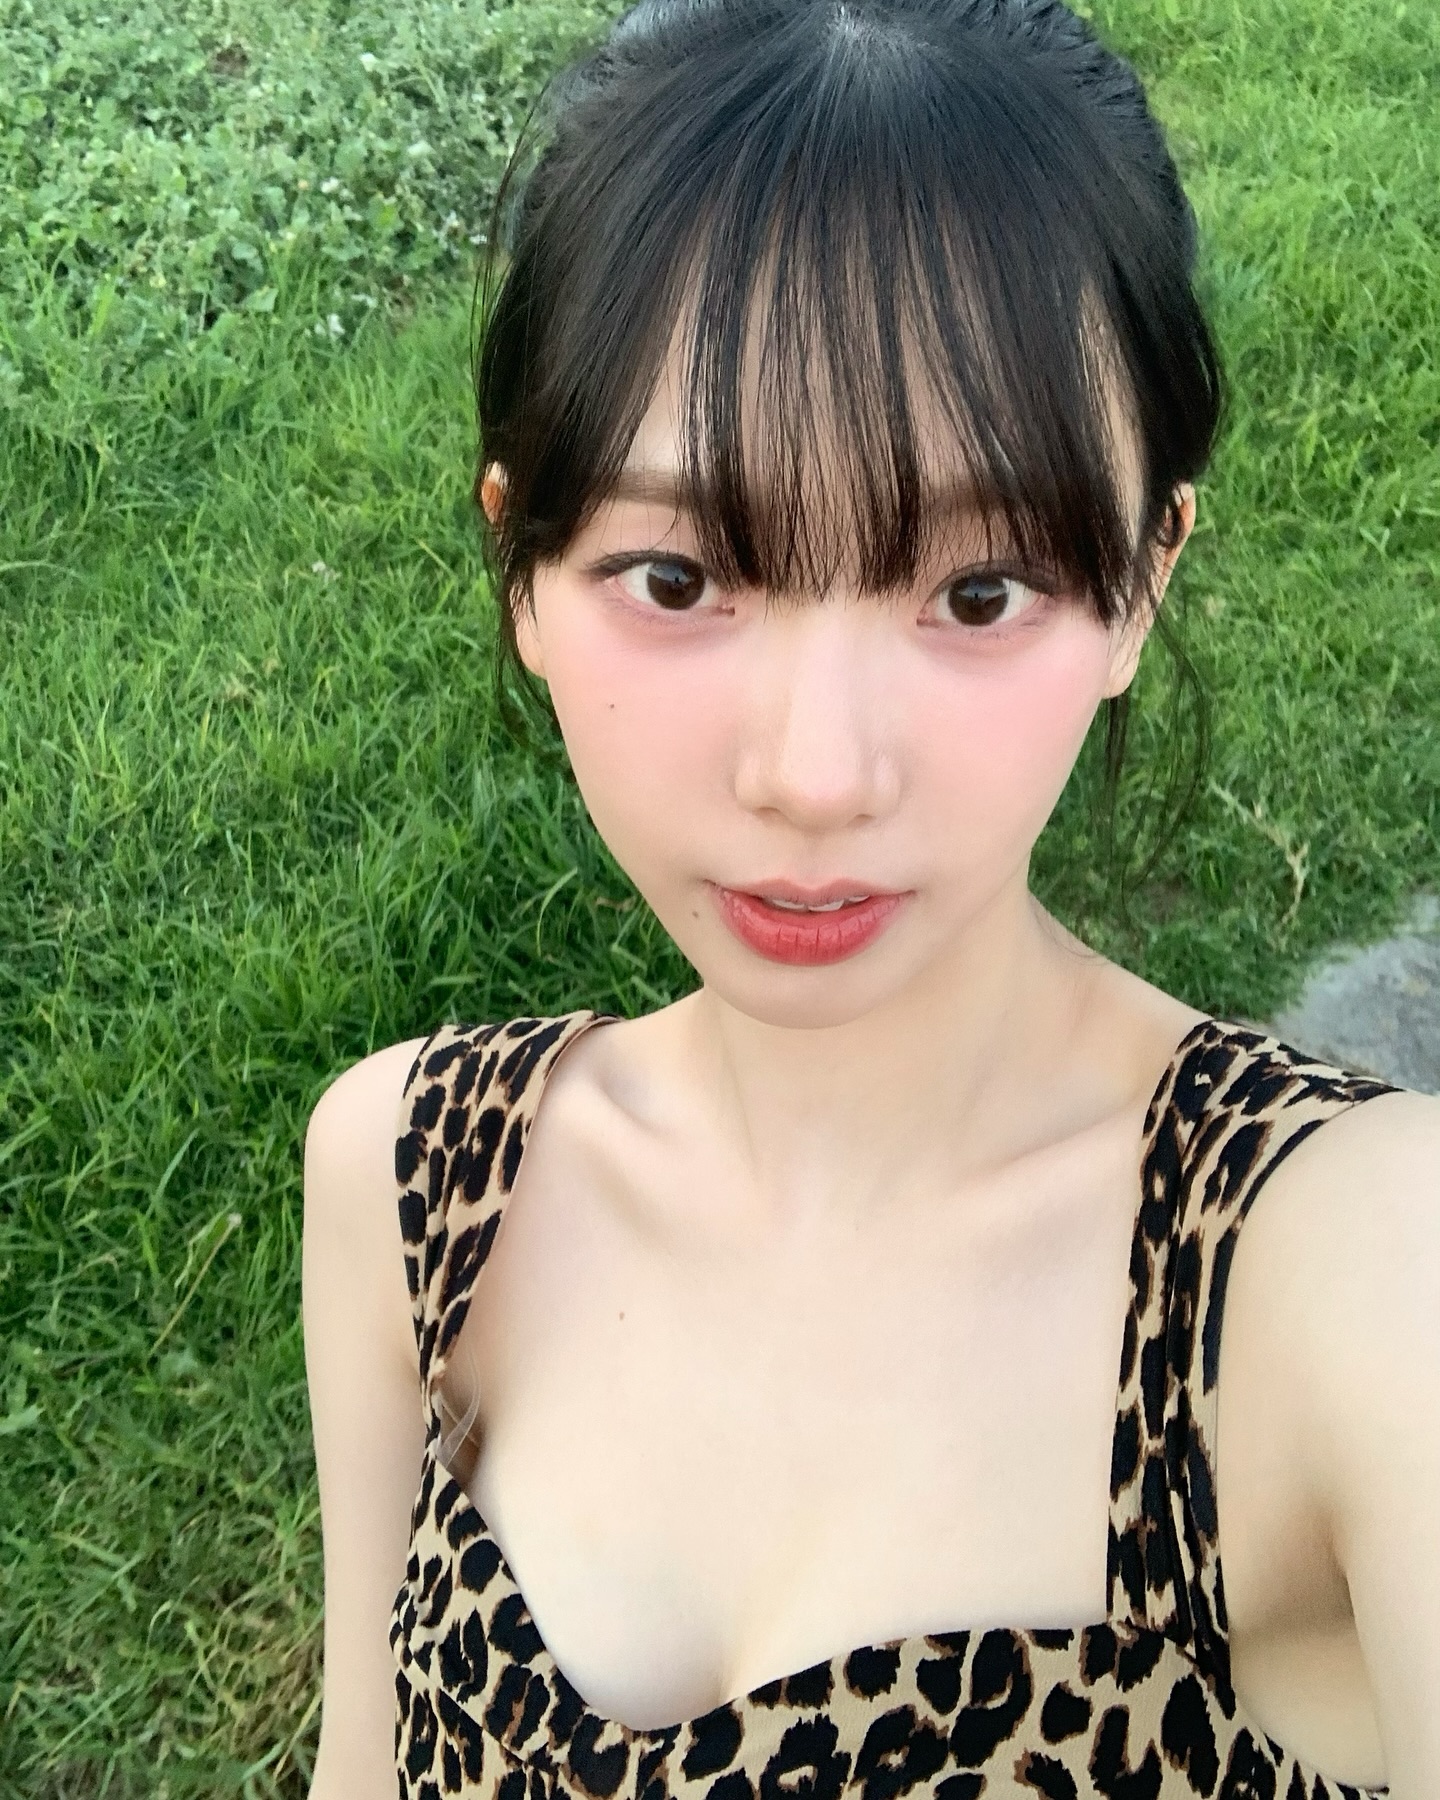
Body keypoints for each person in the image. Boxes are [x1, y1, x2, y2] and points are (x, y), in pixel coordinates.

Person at [300, 1, 1440, 1794]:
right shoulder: (414, 1181)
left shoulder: (1345, 1274)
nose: (817, 774)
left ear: (1144, 585)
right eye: (678, 576)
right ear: (521, 566)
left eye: (978, 595)